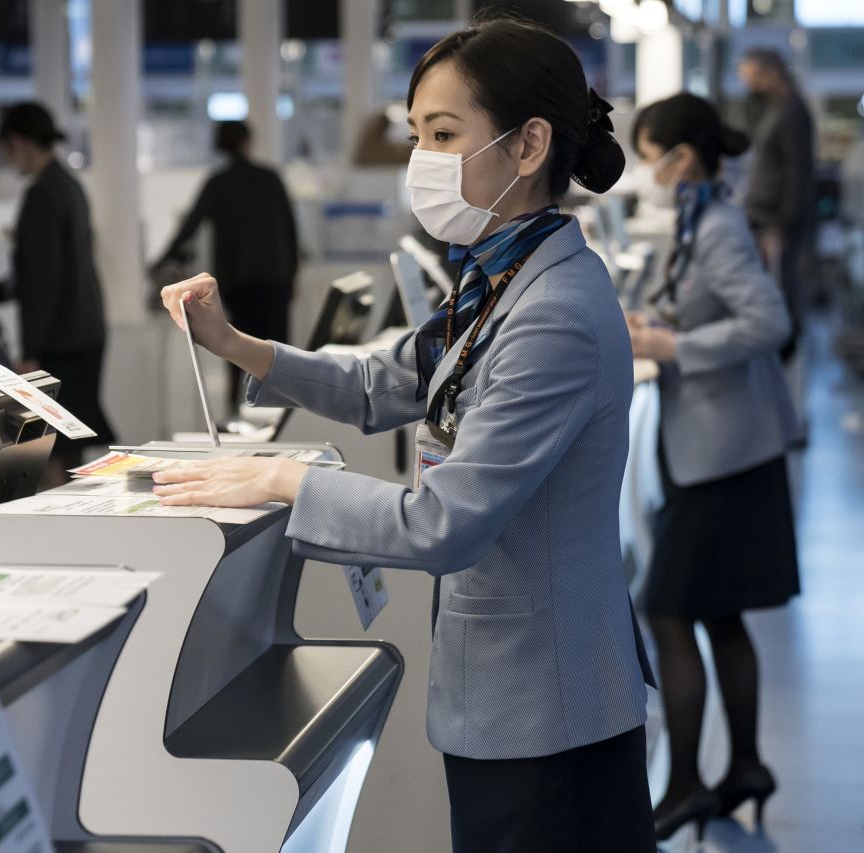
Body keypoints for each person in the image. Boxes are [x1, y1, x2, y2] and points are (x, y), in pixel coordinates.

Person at [151, 18, 656, 853]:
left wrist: (283, 481)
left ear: (529, 145)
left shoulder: (552, 314)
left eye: (444, 135)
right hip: (514, 698)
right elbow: (385, 380)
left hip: (545, 710)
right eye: (417, 133)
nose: (422, 159)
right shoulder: (500, 279)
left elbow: (443, 523)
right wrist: (239, 345)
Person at [627, 93, 801, 842]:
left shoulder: (721, 227)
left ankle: (691, 782)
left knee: (668, 608)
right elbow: (707, 310)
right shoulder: (703, 218)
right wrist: (657, 325)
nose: (647, 170)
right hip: (725, 450)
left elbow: (768, 321)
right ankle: (747, 767)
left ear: (684, 157)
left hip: (727, 456)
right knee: (719, 611)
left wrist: (672, 348)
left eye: (651, 153)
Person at [0, 102, 115, 477]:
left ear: (17, 142)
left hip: (59, 339)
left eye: (7, 153)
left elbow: (42, 281)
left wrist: (30, 352)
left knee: (48, 446)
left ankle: (62, 523)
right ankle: (76, 521)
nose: (11, 163)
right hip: (86, 329)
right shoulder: (70, 185)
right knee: (67, 442)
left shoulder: (41, 194)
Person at [153, 120, 299, 411]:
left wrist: (159, 262)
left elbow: (189, 227)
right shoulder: (270, 178)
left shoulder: (217, 182)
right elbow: (290, 231)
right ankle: (281, 418)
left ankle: (240, 413)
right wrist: (292, 277)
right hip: (274, 281)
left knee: (238, 353)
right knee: (280, 354)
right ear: (248, 141)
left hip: (238, 283)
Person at [738, 48, 815, 356]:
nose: (749, 86)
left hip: (778, 222)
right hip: (767, 218)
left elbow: (799, 173)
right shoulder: (777, 108)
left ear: (772, 73)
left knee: (783, 290)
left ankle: (786, 354)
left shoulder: (792, 111)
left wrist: (783, 224)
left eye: (753, 78)